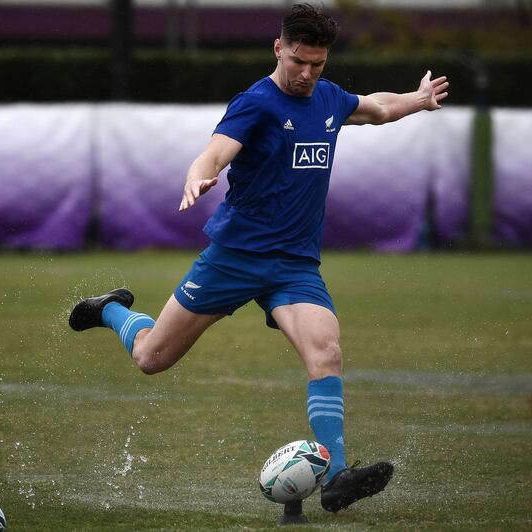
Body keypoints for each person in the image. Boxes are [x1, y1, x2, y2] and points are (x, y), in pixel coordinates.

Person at [69, 2, 448, 513]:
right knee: (151, 359)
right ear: (278, 48)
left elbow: (376, 107)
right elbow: (217, 150)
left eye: (317, 64)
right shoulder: (256, 102)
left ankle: (336, 477)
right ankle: (111, 307)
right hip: (235, 258)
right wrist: (197, 175)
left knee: (326, 352)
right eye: (298, 62)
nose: (307, 74)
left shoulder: (329, 97)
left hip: (294, 266)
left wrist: (418, 99)